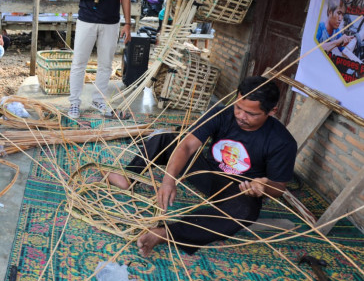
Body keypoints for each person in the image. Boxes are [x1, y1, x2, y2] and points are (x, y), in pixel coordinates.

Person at [107, 76, 297, 257]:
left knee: (245, 212)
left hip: (237, 189)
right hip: (205, 172)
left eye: (251, 114)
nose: (241, 115)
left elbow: (279, 187)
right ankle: (129, 176)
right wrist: (168, 180)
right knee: (165, 138)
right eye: (238, 107)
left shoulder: (282, 141)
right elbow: (187, 145)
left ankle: (165, 233)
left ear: (272, 111)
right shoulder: (222, 113)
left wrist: (264, 187)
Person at [68, 0, 132, 119]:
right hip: (87, 20)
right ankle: (74, 103)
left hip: (111, 22)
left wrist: (127, 23)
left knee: (105, 65)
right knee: (79, 63)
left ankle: (99, 101)